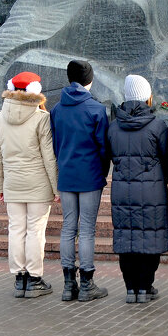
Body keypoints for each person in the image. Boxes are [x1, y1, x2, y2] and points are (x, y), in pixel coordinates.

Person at [0, 71, 59, 298]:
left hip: (12, 182)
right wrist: (56, 188)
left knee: (16, 230)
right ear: (35, 91)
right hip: (38, 183)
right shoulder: (41, 118)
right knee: (35, 231)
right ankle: (35, 278)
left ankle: (19, 279)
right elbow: (49, 156)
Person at [107, 74, 168, 304]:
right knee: (150, 238)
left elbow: (110, 156)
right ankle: (145, 287)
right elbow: (167, 160)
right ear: (148, 97)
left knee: (127, 238)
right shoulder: (157, 125)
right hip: (152, 190)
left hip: (122, 190)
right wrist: (162, 179)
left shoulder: (114, 126)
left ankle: (130, 289)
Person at [48, 59, 110, 302]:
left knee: (68, 228)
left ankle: (67, 285)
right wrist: (102, 172)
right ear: (89, 80)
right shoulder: (96, 109)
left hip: (67, 174)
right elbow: (104, 148)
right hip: (90, 175)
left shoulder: (57, 109)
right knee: (86, 230)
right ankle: (87, 284)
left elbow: (55, 145)